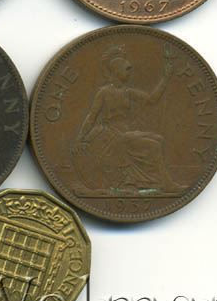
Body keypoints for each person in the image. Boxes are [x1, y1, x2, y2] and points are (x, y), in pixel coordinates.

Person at [73, 45, 182, 193]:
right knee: (154, 146)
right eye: (126, 70)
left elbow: (151, 99)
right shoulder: (104, 92)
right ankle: (167, 184)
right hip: (112, 134)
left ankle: (146, 181)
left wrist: (165, 78)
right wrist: (80, 138)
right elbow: (91, 116)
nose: (129, 73)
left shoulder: (127, 92)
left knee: (159, 139)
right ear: (117, 71)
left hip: (125, 132)